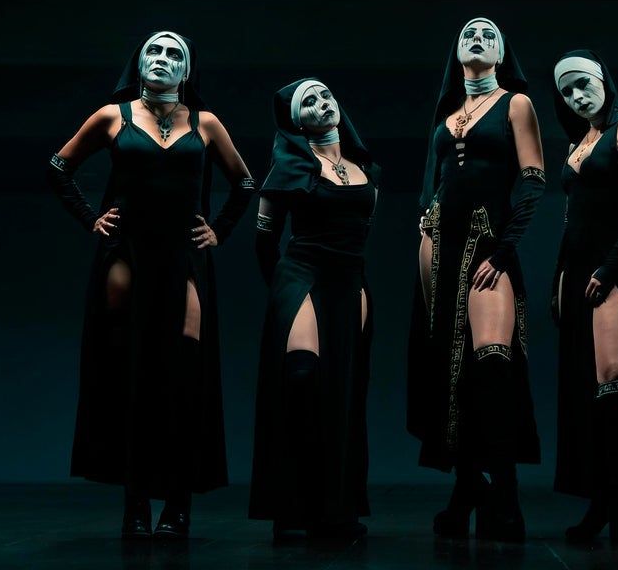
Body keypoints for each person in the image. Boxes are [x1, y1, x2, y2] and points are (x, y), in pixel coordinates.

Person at [47, 31, 255, 539]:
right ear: (138, 63)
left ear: (187, 71)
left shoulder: (204, 123)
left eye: (173, 54)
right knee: (132, 377)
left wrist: (220, 229)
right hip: (128, 257)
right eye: (153, 51)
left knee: (183, 378)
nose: (162, 58)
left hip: (184, 259)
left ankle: (178, 505)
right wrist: (91, 218)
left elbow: (245, 182)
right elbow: (59, 167)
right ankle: (136, 504)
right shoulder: (112, 116)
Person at [407, 17, 544, 543]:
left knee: (492, 363)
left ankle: (505, 494)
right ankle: (466, 487)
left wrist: (504, 250)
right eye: (469, 33)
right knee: (450, 368)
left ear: (502, 53)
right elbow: (432, 189)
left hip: (488, 245)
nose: (478, 37)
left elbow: (532, 182)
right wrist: (425, 227)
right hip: (438, 250)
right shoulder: (445, 117)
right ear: (458, 51)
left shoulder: (516, 104)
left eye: (489, 33)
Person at [248, 78, 379, 542]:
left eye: (326, 96)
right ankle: (292, 508)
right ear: (295, 122)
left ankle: (334, 510)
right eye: (309, 102)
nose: (323, 104)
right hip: (302, 275)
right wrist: (283, 293)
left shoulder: (366, 170)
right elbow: (265, 241)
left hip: (350, 281)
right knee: (302, 378)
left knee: (343, 392)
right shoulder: (286, 170)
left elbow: (361, 232)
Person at [550, 50, 618, 544]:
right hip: (576, 273)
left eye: (583, 83)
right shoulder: (579, 143)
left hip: (615, 268)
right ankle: (600, 504)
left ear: (603, 79)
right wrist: (559, 279)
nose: (577, 95)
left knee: (616, 380)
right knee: (587, 389)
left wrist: (610, 267)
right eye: (567, 91)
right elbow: (571, 218)